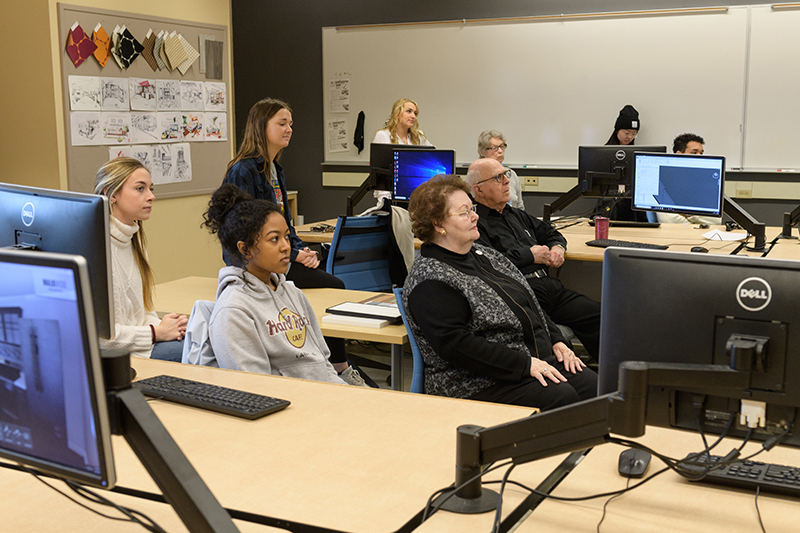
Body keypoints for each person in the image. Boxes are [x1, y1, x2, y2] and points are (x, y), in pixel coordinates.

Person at [402, 175, 597, 410]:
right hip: (473, 381)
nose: (475, 216)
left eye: (472, 208)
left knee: (597, 388)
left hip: (528, 359)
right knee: (563, 398)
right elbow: (457, 347)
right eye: (464, 212)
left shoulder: (485, 255)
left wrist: (556, 340)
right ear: (438, 224)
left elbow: (528, 302)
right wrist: (525, 364)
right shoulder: (430, 280)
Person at [219, 98, 370, 386]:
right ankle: (340, 367)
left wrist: (302, 250)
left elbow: (284, 224)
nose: (289, 129)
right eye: (282, 123)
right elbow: (239, 229)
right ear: (261, 126)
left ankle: (331, 363)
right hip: (254, 266)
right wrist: (293, 254)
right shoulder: (244, 170)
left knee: (327, 273)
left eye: (290, 124)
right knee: (334, 285)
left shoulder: (275, 169)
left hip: (281, 258)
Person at [202, 184, 357, 385]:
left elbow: (323, 362)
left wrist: (344, 393)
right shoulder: (233, 310)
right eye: (274, 239)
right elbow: (255, 385)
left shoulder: (293, 293)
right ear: (245, 249)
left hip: (325, 393)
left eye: (286, 237)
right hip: (292, 401)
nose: (286, 246)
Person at [466, 158, 601, 360]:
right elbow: (489, 264)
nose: (506, 181)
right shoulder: (476, 223)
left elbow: (551, 233)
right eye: (497, 178)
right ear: (479, 190)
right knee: (553, 341)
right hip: (521, 293)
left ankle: (611, 374)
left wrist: (557, 248)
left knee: (601, 316)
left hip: (550, 288)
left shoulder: (516, 214)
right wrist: (531, 255)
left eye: (506, 175)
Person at [94, 158, 187, 361]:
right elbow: (102, 340)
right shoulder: (96, 249)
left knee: (201, 339)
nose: (151, 196)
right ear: (111, 194)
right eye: (140, 189)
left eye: (150, 189)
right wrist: (156, 332)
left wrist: (169, 327)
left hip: (140, 345)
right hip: (120, 356)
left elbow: (143, 312)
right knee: (200, 353)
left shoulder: (134, 241)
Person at [657, 133, 722, 226]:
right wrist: (698, 219)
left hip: (701, 233)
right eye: (694, 153)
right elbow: (668, 220)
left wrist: (689, 215)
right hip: (674, 233)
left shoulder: (708, 182)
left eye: (701, 153)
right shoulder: (664, 181)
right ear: (679, 155)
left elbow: (716, 221)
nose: (700, 156)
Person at [601, 104, 646, 221]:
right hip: (609, 202)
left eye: (634, 134)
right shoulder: (604, 153)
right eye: (626, 133)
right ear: (617, 130)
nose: (630, 137)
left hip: (631, 204)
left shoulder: (636, 154)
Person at [477, 130, 524, 209]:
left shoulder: (511, 174)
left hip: (513, 216)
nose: (500, 151)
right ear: (483, 152)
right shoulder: (478, 176)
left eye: (502, 146)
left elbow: (520, 207)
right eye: (494, 148)